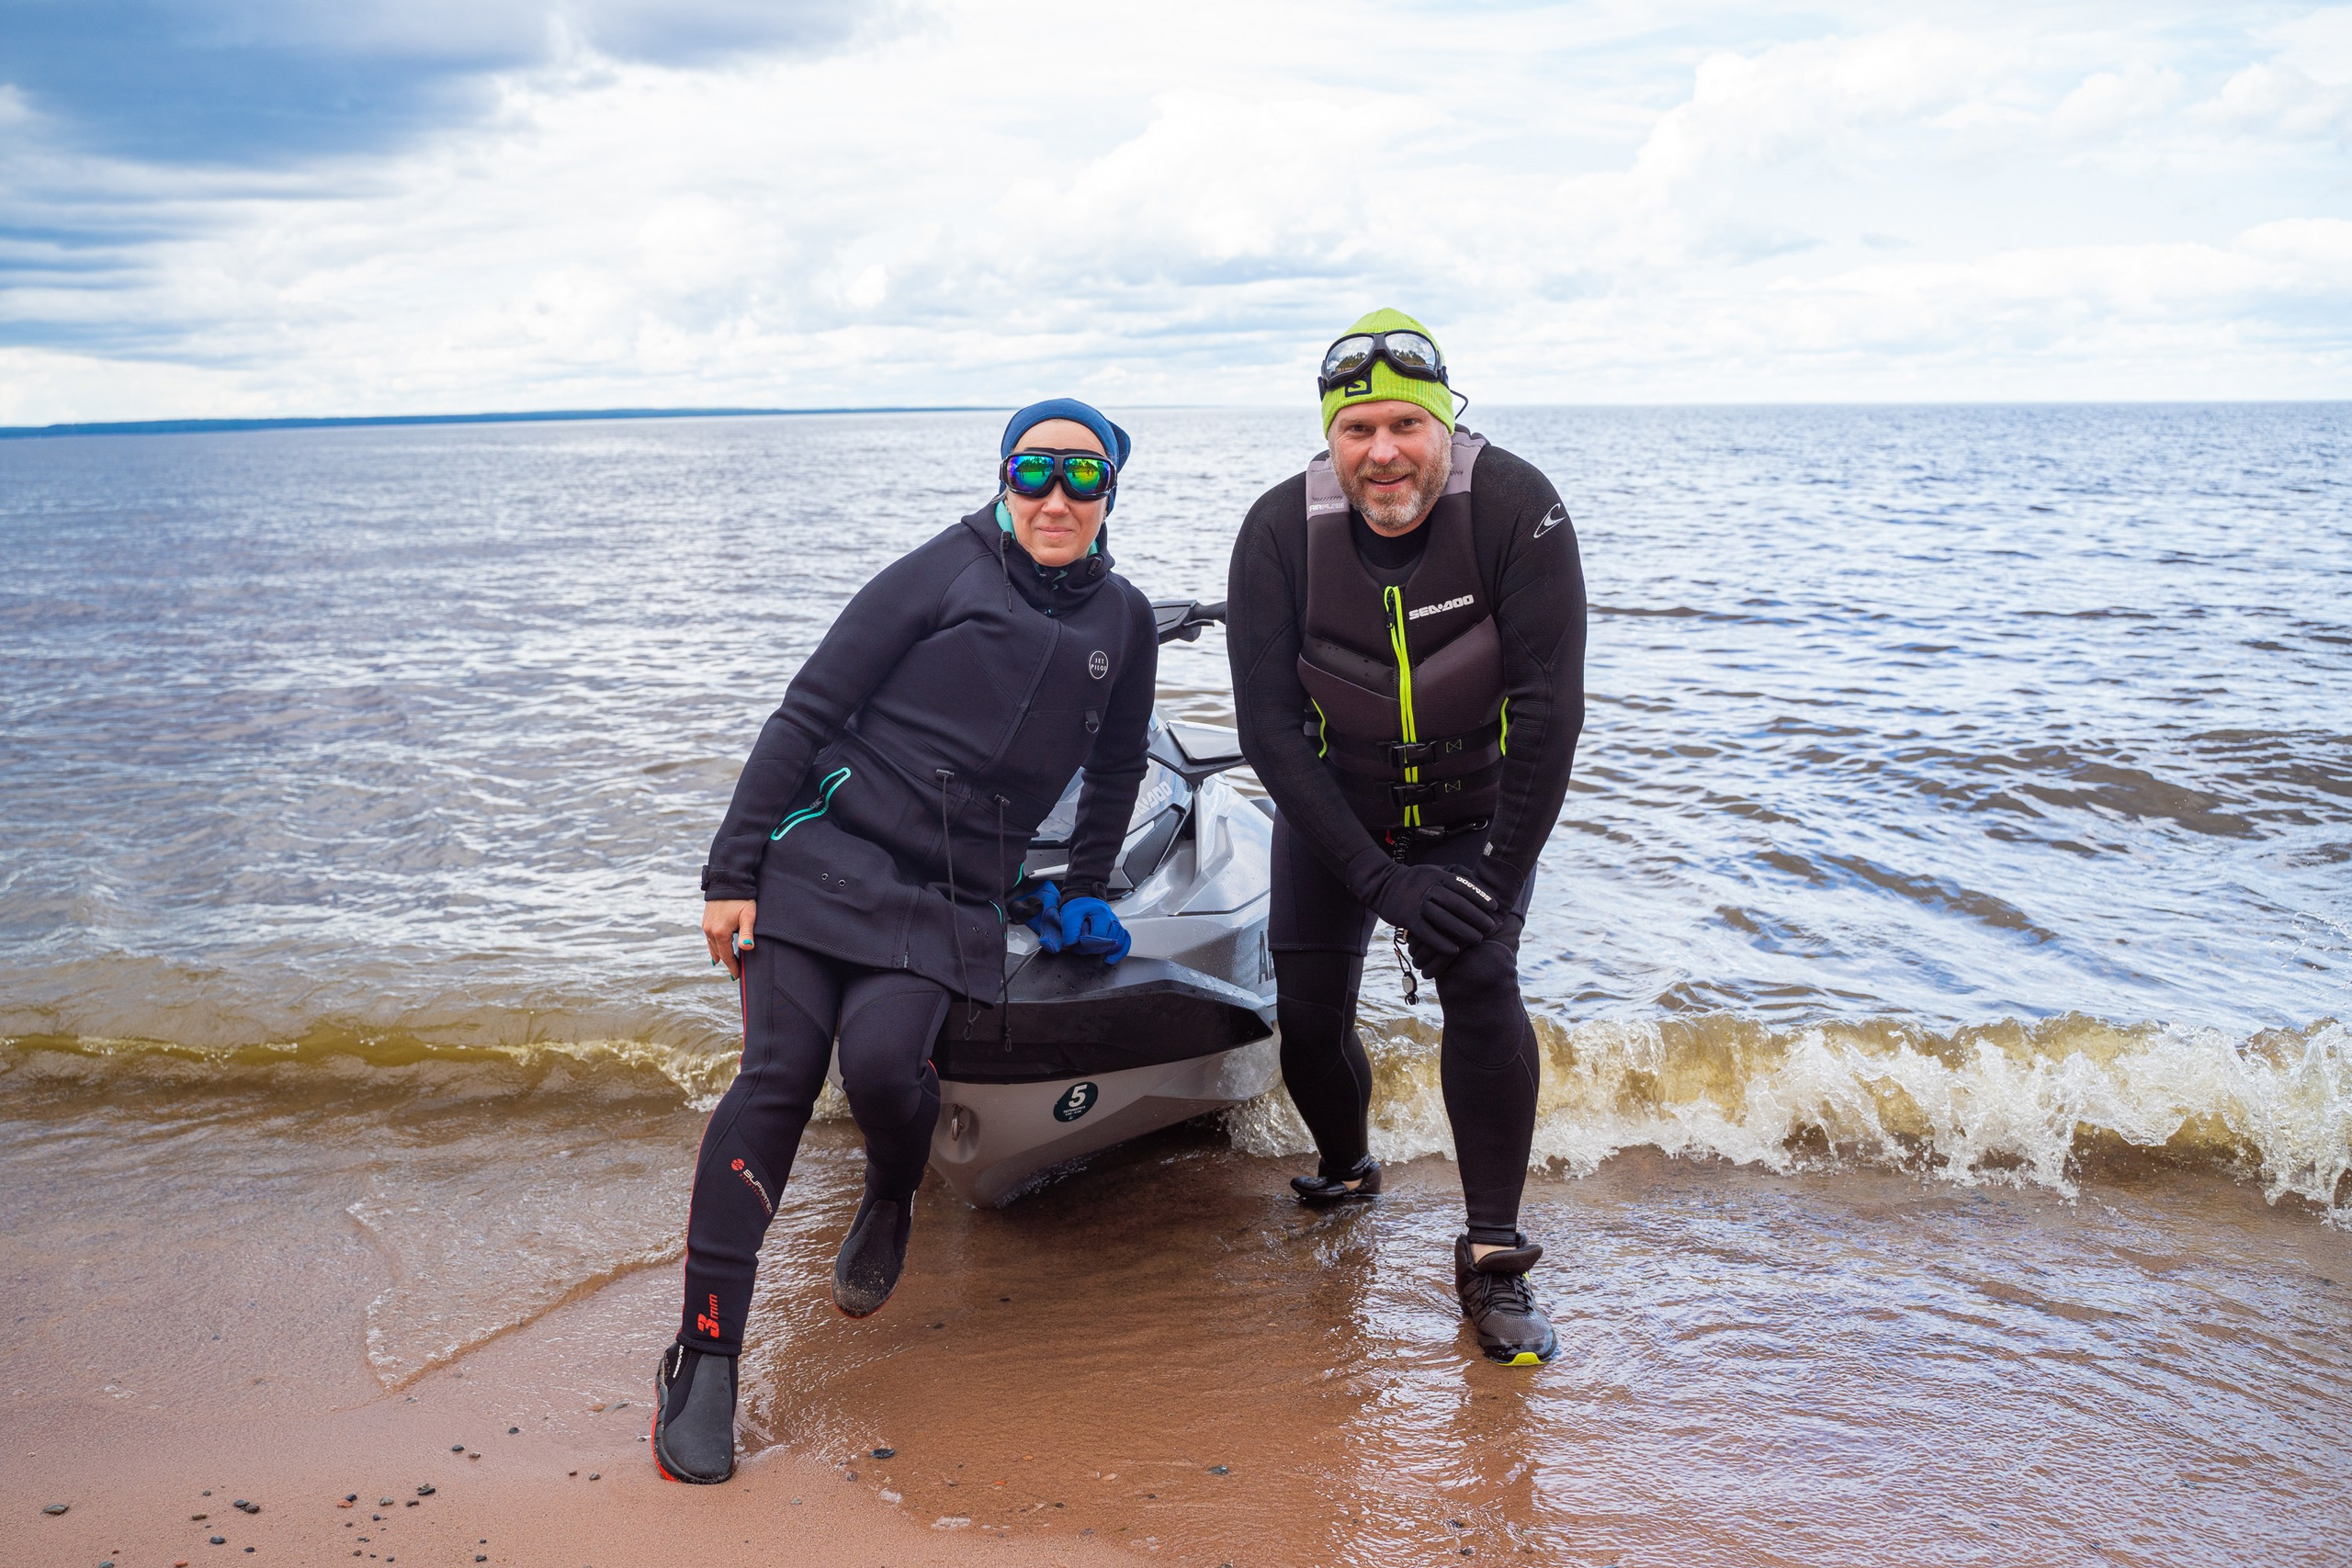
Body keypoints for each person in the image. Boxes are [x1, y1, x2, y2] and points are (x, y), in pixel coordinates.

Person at [657, 399, 1160, 1483]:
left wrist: (1080, 889)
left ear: (1112, 492)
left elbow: (1117, 769)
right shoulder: (942, 569)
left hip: (948, 890)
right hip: (819, 854)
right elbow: (805, 711)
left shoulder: (1122, 620)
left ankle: (892, 1192)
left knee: (888, 1069)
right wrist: (730, 871)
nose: (1056, 498)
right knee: (781, 1074)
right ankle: (705, 1355)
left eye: (1083, 477)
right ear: (1003, 479)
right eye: (1034, 472)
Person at [1225, 309, 1587, 1365]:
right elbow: (1268, 733)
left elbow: (1550, 714)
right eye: (1355, 432)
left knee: (1482, 981)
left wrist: (1492, 882)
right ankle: (1347, 1165)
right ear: (1331, 439)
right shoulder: (1277, 532)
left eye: (1402, 427)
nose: (1380, 453)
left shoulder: (1518, 509)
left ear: (1443, 425)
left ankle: (1494, 1254)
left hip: (1481, 814)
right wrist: (1379, 881)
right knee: (1309, 1019)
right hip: (1336, 815)